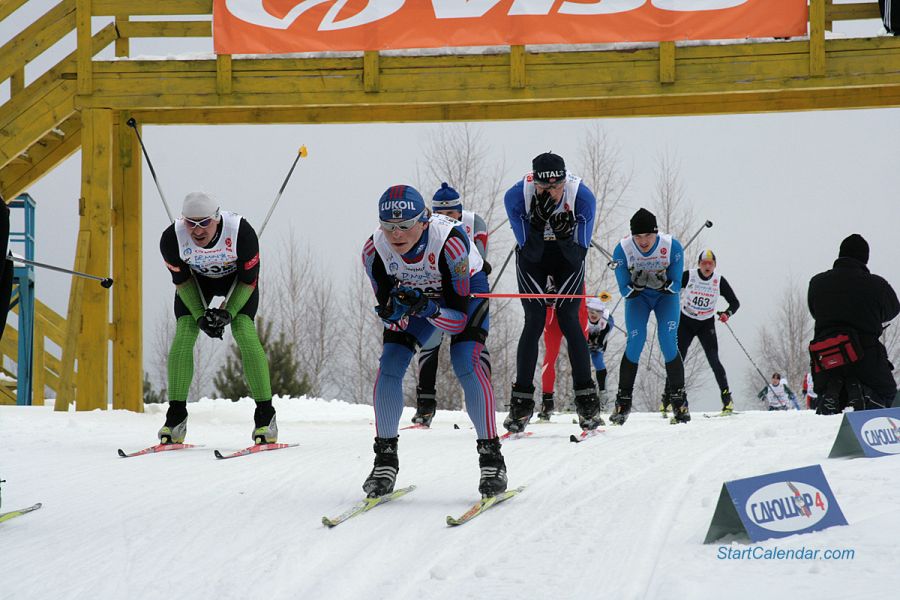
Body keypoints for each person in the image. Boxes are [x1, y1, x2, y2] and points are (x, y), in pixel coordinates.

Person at [362, 184, 506, 498]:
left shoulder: (450, 243)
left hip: (462, 294)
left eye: (405, 225)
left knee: (465, 361)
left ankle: (491, 459)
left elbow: (459, 321)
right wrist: (394, 313)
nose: (396, 234)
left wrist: (427, 308)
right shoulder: (374, 251)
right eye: (388, 226)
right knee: (390, 364)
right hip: (418, 297)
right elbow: (391, 317)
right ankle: (384, 460)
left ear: (424, 221)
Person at [158, 192, 277, 445]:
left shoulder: (241, 233)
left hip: (237, 283)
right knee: (185, 330)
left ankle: (266, 417)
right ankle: (175, 418)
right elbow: (182, 282)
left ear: (217, 218)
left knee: (243, 329)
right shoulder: (171, 239)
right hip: (197, 284)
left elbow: (249, 281)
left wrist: (228, 313)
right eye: (191, 223)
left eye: (204, 223)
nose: (197, 230)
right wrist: (201, 317)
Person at [503, 152, 602, 433]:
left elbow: (577, 257)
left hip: (567, 256)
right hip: (533, 258)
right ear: (534, 182)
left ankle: (586, 400)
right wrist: (536, 225)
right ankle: (522, 402)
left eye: (557, 186)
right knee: (534, 320)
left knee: (569, 319)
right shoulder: (516, 197)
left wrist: (563, 236)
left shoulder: (582, 197)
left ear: (564, 181)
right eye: (544, 187)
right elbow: (530, 253)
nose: (551, 193)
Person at [411, 182, 490, 427]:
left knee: (471, 346)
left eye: (451, 213)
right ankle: (425, 405)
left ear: (460, 211)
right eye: (440, 213)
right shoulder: (427, 226)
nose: (446, 217)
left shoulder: (474, 222)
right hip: (438, 290)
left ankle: (482, 399)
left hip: (466, 286)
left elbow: (480, 258)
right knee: (430, 342)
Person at [609, 208, 686, 425]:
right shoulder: (622, 249)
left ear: (656, 233)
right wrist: (636, 285)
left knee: (668, 341)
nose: (643, 241)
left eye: (648, 235)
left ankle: (679, 400)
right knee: (636, 340)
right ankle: (623, 402)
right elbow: (624, 290)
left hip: (665, 298)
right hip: (639, 299)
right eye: (638, 236)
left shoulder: (672, 246)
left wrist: (663, 284)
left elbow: (677, 285)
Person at [807, 234, 899, 412]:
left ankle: (834, 390)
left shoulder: (817, 283)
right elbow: (893, 310)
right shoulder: (877, 285)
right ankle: (863, 393)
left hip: (826, 361)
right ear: (865, 258)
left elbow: (814, 312)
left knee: (831, 395)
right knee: (888, 395)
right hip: (865, 360)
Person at [670, 249, 741, 415]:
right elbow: (671, 288)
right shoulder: (689, 275)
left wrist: (727, 313)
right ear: (699, 264)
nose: (707, 266)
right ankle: (667, 399)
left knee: (714, 360)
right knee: (677, 359)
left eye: (710, 263)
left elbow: (735, 302)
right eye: (704, 263)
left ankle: (727, 399)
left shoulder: (718, 280)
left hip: (705, 324)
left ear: (715, 265)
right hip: (686, 321)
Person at [536, 275, 589, 420]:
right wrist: (548, 303)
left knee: (580, 358)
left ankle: (586, 402)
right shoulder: (545, 273)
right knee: (550, 356)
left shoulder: (574, 271)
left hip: (576, 315)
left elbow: (581, 303)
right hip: (553, 316)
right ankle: (547, 403)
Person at [585, 296, 614, 410]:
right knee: (581, 362)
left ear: (602, 312)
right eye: (591, 310)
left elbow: (603, 339)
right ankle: (579, 394)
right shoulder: (583, 317)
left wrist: (598, 344)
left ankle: (603, 395)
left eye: (598, 311)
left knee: (598, 361)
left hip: (599, 338)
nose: (594, 314)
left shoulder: (607, 321)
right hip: (585, 338)